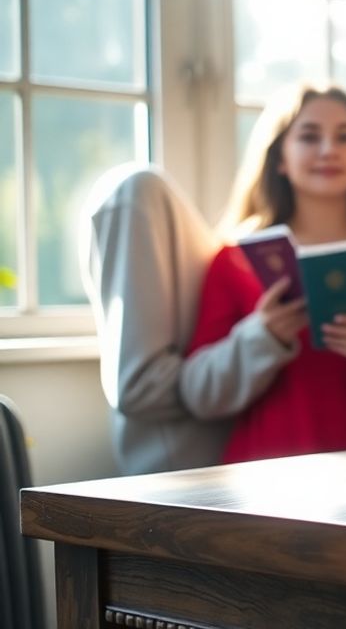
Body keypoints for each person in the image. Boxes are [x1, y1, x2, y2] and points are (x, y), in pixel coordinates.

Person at [183, 83, 346, 463]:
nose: (329, 149)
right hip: (264, 480)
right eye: (309, 136)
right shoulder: (235, 259)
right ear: (279, 157)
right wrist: (260, 336)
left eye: (345, 137)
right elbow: (197, 394)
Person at [81, 164, 232, 474]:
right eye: (309, 137)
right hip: (192, 477)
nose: (328, 152)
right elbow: (140, 386)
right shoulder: (137, 196)